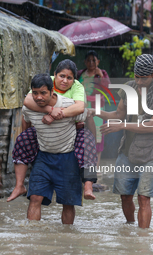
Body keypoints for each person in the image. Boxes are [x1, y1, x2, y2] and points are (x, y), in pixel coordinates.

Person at [90, 54, 153, 228]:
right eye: (136, 77)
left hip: (150, 154)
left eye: (143, 78)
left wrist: (122, 126)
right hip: (127, 151)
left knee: (143, 197)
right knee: (125, 196)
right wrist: (94, 111)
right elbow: (118, 115)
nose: (139, 82)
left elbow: (151, 126)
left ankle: (142, 239)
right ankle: (130, 228)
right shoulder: (128, 88)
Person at [7, 59, 97, 202]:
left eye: (69, 78)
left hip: (72, 126)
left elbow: (80, 108)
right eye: (62, 76)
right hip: (45, 130)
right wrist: (51, 110)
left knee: (87, 141)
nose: (65, 81)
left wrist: (55, 116)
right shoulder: (45, 82)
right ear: (54, 75)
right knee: (23, 139)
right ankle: (19, 186)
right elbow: (28, 101)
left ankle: (88, 185)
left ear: (74, 80)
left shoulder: (77, 87)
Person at [24, 73, 86, 224]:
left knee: (68, 202)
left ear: (52, 92)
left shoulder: (70, 105)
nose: (38, 97)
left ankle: (67, 238)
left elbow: (83, 121)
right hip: (43, 157)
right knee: (35, 198)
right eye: (35, 93)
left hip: (67, 157)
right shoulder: (28, 108)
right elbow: (26, 124)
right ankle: (31, 237)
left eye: (43, 93)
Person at [77, 50, 111, 167]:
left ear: (98, 61)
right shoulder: (80, 74)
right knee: (83, 133)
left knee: (98, 136)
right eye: (89, 60)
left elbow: (106, 89)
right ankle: (85, 164)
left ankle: (96, 166)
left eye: (94, 60)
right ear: (85, 62)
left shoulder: (102, 74)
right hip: (82, 107)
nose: (91, 62)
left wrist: (100, 76)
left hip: (97, 107)